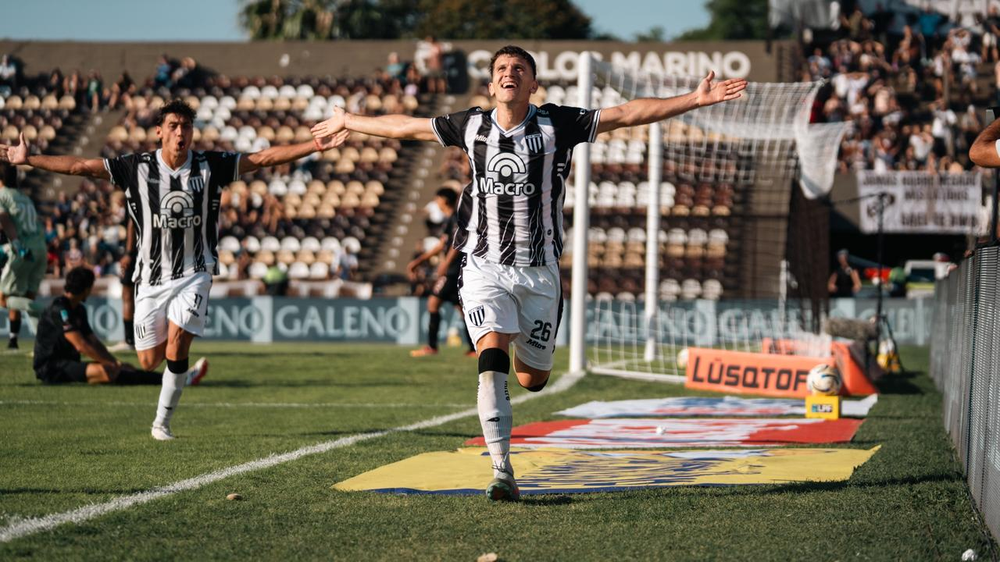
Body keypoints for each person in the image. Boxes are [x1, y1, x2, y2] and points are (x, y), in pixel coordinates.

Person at [312, 45, 747, 501]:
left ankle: (523, 361)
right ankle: (502, 470)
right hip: (484, 266)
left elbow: (626, 114)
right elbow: (406, 126)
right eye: (502, 68)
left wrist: (694, 99)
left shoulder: (557, 123)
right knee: (491, 361)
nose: (510, 73)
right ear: (490, 84)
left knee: (531, 380)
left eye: (519, 68)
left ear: (533, 84)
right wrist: (349, 120)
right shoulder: (470, 125)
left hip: (539, 273)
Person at [1, 99, 349, 440]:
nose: (180, 133)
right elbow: (80, 166)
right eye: (173, 126)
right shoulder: (135, 167)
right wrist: (29, 159)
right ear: (159, 132)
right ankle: (173, 362)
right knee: (148, 360)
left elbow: (262, 158)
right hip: (150, 278)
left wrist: (314, 146)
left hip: (194, 272)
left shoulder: (210, 165)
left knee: (178, 342)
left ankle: (161, 423)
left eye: (186, 126)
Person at [34, 266, 179, 386]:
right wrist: (112, 364)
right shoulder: (60, 309)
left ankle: (167, 378)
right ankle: (166, 379)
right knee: (107, 371)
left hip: (68, 363)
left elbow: (94, 342)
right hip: (50, 367)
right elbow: (81, 345)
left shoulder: (79, 309)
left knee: (112, 369)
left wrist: (114, 362)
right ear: (85, 288)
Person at [407, 187, 476, 358]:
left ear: (444, 200)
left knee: (433, 303)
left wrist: (445, 263)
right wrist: (419, 261)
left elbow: (456, 243)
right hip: (455, 269)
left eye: (437, 199)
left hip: (454, 270)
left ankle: (431, 346)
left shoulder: (456, 217)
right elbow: (442, 244)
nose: (435, 203)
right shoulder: (450, 219)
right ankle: (474, 349)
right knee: (462, 310)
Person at [0, 163, 46, 350]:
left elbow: (4, 219)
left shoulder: (2, 195)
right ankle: (42, 344)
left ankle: (49, 312)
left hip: (23, 249)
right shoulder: (24, 197)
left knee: (3, 298)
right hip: (40, 248)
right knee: (28, 297)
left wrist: (16, 244)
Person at [108, 219, 137, 352]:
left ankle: (129, 339)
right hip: (149, 250)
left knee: (127, 294)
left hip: (136, 252)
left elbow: (132, 222)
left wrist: (129, 253)